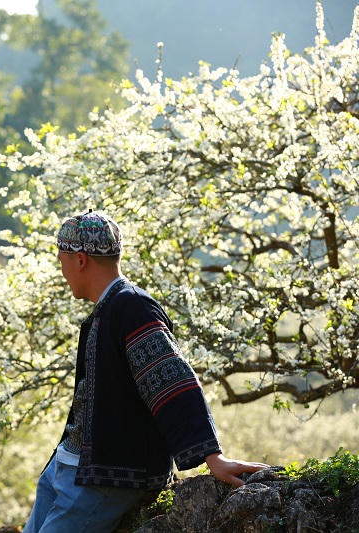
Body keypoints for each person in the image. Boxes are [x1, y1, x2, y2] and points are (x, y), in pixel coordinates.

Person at [22, 211, 269, 533]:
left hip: (102, 479)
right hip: (65, 468)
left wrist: (212, 456)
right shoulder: (112, 308)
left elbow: (172, 381)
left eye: (62, 260)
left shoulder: (133, 308)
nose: (62, 270)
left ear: (79, 260)